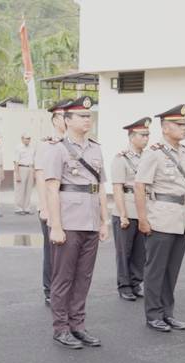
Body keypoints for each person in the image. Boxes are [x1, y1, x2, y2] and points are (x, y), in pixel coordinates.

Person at [44, 96, 108, 349]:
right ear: (67, 120)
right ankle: (61, 327)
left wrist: (104, 221)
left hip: (91, 221)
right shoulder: (57, 149)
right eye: (82, 116)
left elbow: (100, 187)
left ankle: (78, 325)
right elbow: (51, 189)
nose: (87, 120)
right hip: (68, 222)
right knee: (63, 277)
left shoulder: (96, 149)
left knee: (84, 277)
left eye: (88, 116)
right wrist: (56, 226)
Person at [134, 104, 185, 333]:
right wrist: (143, 219)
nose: (184, 128)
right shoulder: (154, 153)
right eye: (179, 125)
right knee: (156, 269)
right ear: (166, 128)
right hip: (161, 217)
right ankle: (154, 314)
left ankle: (168, 313)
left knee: (172, 270)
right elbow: (140, 186)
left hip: (181, 218)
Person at [34, 99, 72, 306]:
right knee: (52, 251)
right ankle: (50, 289)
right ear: (56, 119)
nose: (67, 120)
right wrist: (44, 207)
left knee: (68, 251)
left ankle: (64, 288)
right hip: (51, 203)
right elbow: (40, 176)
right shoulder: (46, 144)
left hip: (69, 205)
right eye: (63, 116)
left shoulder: (74, 143)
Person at [111, 118, 150, 301]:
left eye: (147, 135)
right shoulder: (121, 158)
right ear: (132, 137)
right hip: (126, 207)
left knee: (140, 251)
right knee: (124, 251)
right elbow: (118, 187)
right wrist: (123, 214)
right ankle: (124, 285)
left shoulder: (148, 157)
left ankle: (136, 282)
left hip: (143, 210)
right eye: (142, 135)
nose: (146, 138)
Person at [13, 134, 35, 215]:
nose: (27, 140)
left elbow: (33, 160)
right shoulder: (18, 148)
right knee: (20, 189)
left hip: (30, 168)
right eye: (26, 138)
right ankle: (18, 208)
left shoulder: (32, 148)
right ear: (22, 139)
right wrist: (17, 174)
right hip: (21, 168)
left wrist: (34, 172)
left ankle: (27, 208)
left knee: (29, 189)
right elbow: (16, 162)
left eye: (29, 138)